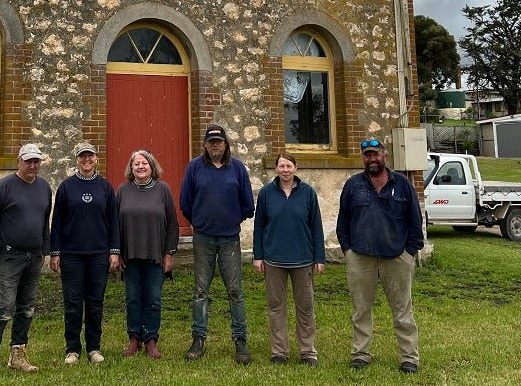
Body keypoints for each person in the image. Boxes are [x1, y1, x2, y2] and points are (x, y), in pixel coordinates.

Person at [335, 138, 424, 374]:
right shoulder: (353, 185)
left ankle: (409, 358)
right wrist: (348, 250)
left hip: (396, 257)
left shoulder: (402, 184)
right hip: (361, 257)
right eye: (367, 155)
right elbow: (343, 220)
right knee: (361, 309)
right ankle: (360, 354)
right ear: (363, 158)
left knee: (402, 310)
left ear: (384, 155)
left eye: (375, 154)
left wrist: (410, 252)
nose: (371, 158)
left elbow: (415, 220)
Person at [179, 124, 255, 364]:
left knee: (235, 291)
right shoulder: (194, 168)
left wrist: (231, 220)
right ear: (205, 145)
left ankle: (240, 341)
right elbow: (185, 203)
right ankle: (198, 339)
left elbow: (247, 205)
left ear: (225, 144)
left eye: (219, 142)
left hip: (229, 239)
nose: (215, 145)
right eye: (211, 142)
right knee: (201, 291)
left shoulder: (238, 169)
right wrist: (200, 222)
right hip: (203, 238)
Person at [0, 143, 53, 380]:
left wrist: (45, 251)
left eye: (36, 161)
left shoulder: (43, 187)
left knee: (27, 308)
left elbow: (44, 222)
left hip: (33, 257)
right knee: (4, 307)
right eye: (28, 161)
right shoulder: (5, 186)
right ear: (18, 162)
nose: (33, 166)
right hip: (9, 256)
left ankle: (17, 354)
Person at [50, 142, 121, 366]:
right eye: (82, 157)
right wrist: (55, 252)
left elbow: (114, 222)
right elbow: (58, 221)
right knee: (72, 303)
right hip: (71, 254)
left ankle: (94, 347)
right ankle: (72, 348)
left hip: (99, 254)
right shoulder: (66, 187)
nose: (86, 160)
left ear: (96, 159)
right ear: (77, 159)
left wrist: (114, 251)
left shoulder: (106, 188)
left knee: (95, 302)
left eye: (90, 156)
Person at [253, 153, 326, 366]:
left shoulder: (308, 193)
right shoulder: (267, 193)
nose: (285, 170)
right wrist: (258, 256)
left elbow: (316, 227)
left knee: (305, 307)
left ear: (295, 167)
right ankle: (279, 352)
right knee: (276, 307)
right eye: (281, 166)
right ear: (276, 169)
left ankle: (308, 352)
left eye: (289, 166)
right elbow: (259, 227)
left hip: (303, 259)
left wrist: (319, 257)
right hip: (274, 259)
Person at [116, 149, 179, 359]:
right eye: (136, 164)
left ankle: (151, 339)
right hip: (130, 255)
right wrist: (117, 252)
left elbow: (172, 224)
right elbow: (114, 225)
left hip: (156, 255)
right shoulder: (122, 191)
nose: (141, 167)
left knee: (153, 299)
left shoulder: (163, 190)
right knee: (133, 299)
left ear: (152, 167)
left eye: (144, 164)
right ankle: (134, 338)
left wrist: (169, 253)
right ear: (131, 168)